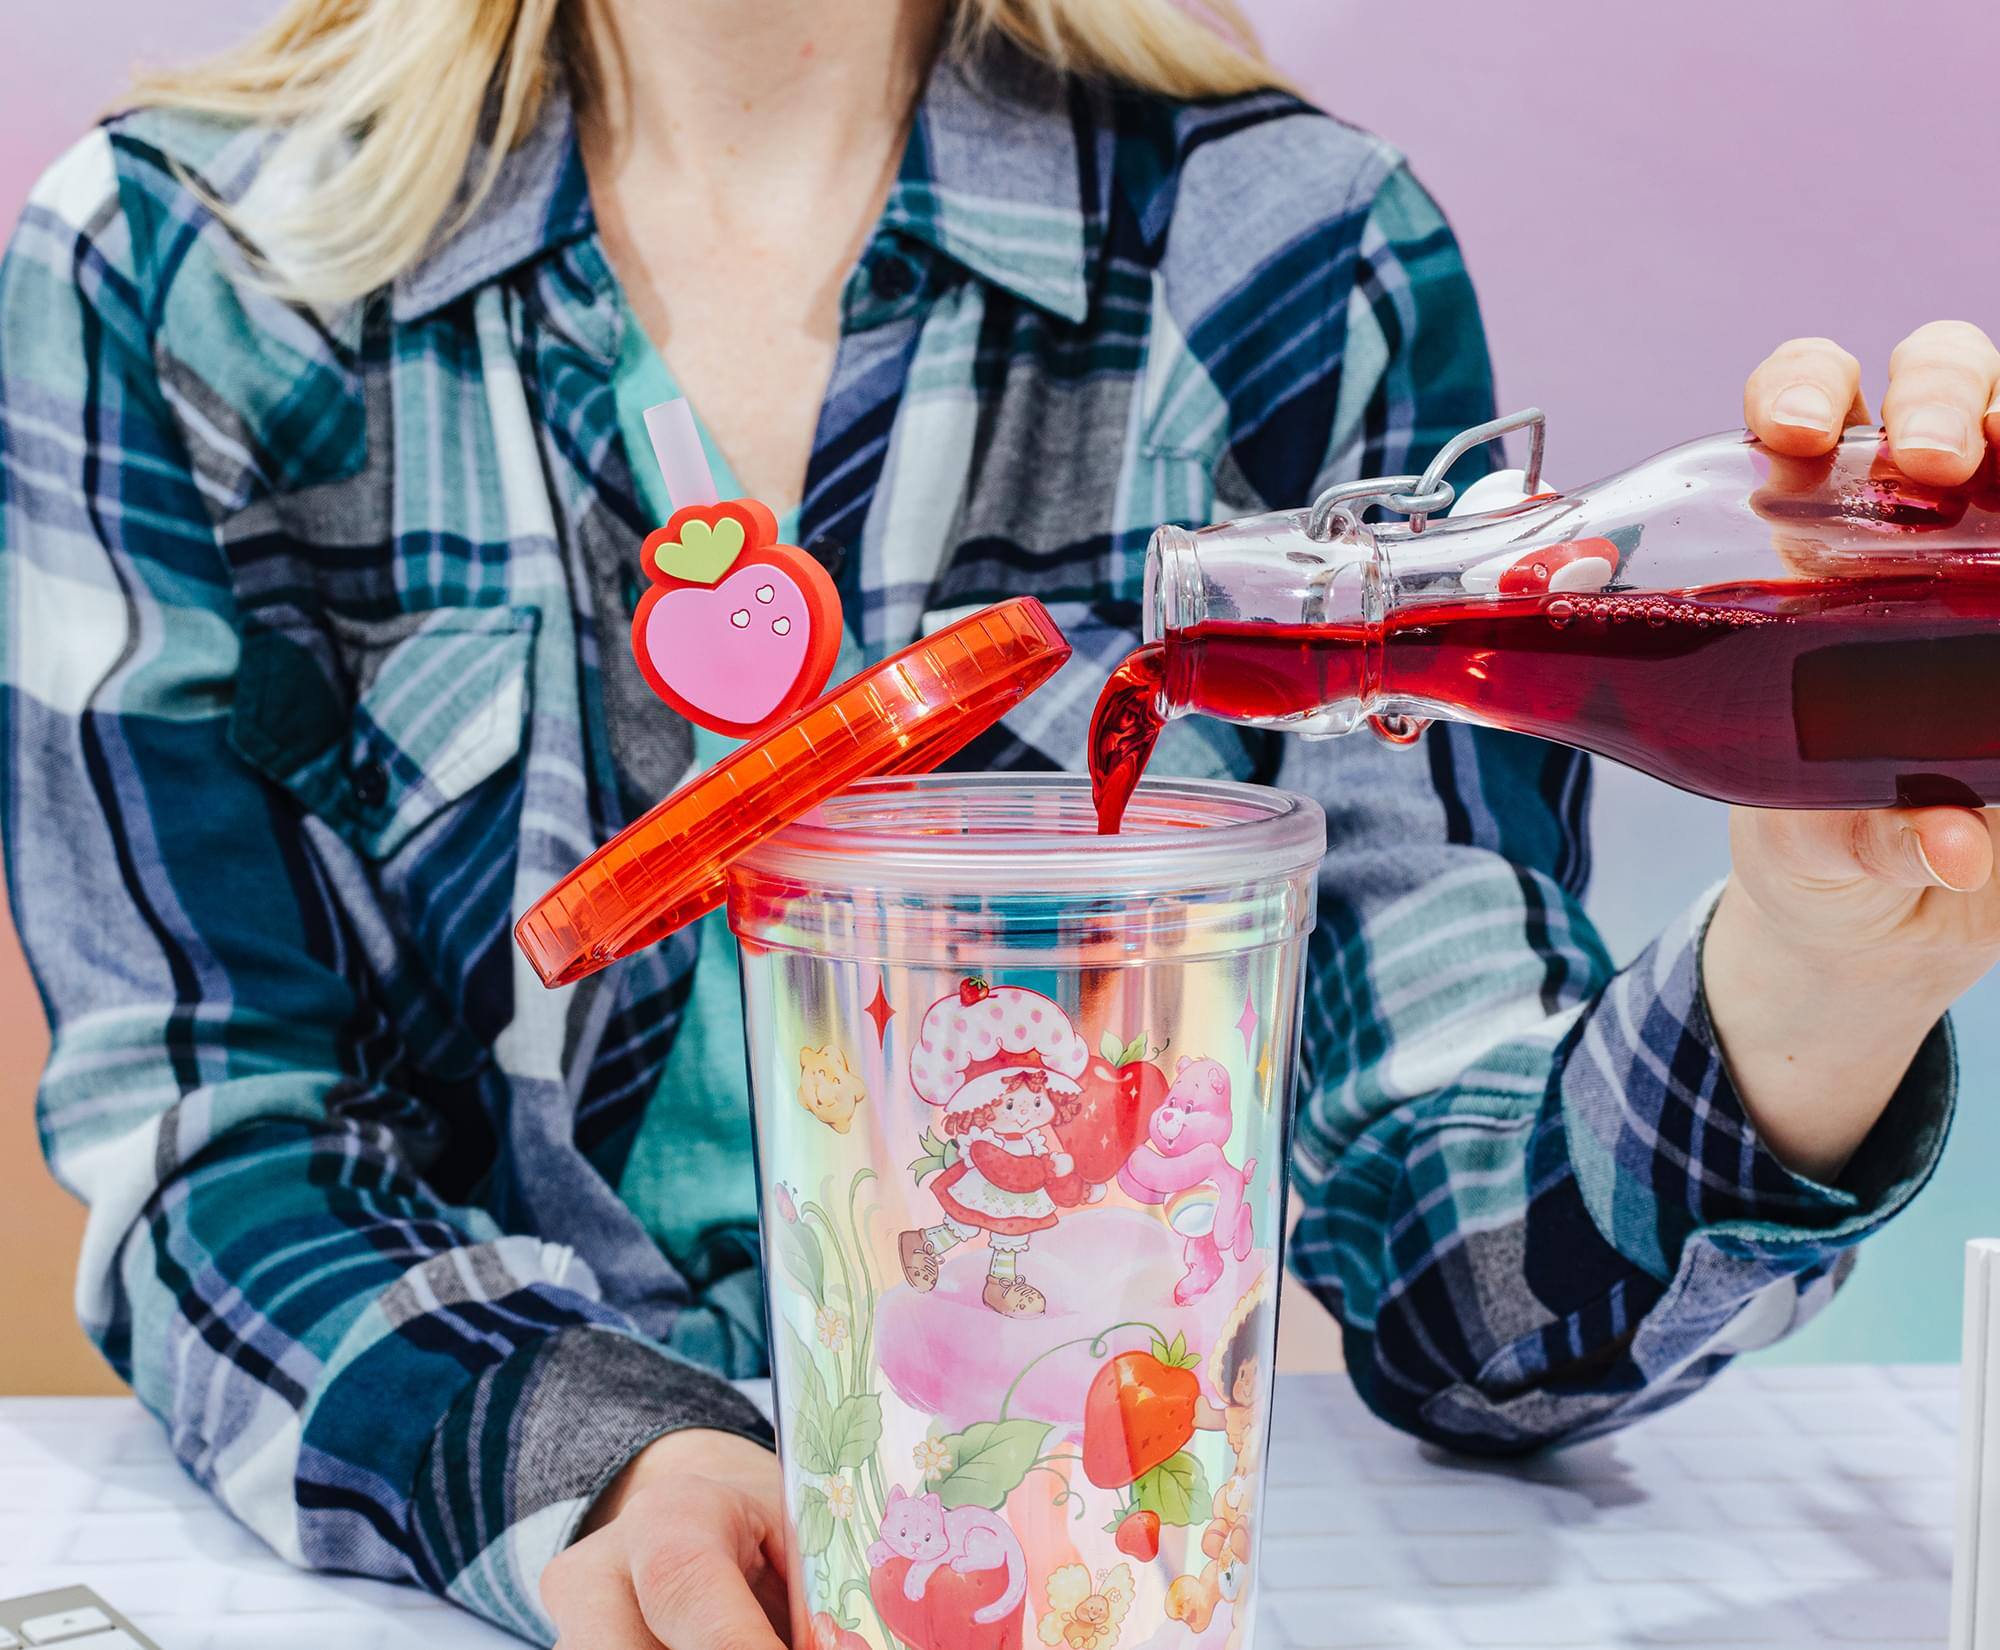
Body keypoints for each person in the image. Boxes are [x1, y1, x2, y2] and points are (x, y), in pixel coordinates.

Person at [2, 0, 1995, 1643]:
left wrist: (1815, 976)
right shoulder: (180, 276)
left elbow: (1475, 1293)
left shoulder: (1286, 262)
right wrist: (603, 1457)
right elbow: (226, 1144)